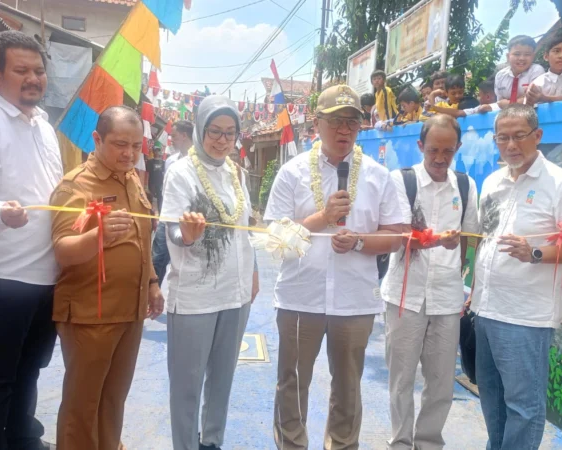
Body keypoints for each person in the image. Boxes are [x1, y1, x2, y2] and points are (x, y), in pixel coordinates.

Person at [265, 85, 406, 450]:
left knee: (347, 387)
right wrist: (322, 218)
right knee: (291, 383)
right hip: (299, 297)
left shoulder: (378, 175)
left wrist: (359, 240)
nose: (344, 130)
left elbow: (397, 236)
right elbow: (274, 238)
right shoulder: (292, 173)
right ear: (317, 124)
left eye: (352, 122)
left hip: (354, 301)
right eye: (336, 122)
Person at [472, 104, 562, 450]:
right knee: (492, 400)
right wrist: (475, 292)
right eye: (502, 138)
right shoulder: (493, 182)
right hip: (485, 310)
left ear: (537, 137)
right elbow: (488, 241)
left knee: (524, 408)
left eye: (518, 136)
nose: (510, 145)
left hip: (526, 316)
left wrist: (536, 253)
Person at [50, 106, 165, 449]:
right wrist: (96, 237)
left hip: (130, 310)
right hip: (90, 314)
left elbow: (143, 240)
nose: (129, 153)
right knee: (82, 405)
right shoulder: (76, 186)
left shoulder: (131, 180)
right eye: (119, 144)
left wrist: (153, 282)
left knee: (114, 400)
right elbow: (62, 249)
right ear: (97, 139)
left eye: (135, 145)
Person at [161, 96, 259, 450]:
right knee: (187, 387)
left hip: (235, 293)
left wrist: (254, 270)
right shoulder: (181, 172)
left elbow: (243, 226)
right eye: (215, 131)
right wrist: (185, 236)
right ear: (201, 129)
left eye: (230, 133)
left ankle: (211, 443)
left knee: (222, 381)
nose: (222, 140)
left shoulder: (236, 172)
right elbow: (170, 229)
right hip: (194, 297)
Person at [382, 115, 479, 450]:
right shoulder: (401, 181)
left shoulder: (465, 186)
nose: (440, 158)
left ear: (458, 149)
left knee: (440, 383)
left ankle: (428, 443)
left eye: (448, 151)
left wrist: (466, 282)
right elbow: (396, 236)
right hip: (404, 296)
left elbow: (468, 238)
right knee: (401, 379)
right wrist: (437, 241)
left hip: (447, 298)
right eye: (434, 150)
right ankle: (400, 443)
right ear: (420, 146)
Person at [0, 30, 62, 450]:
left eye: (38, 70)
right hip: (6, 277)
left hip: (49, 275)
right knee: (1, 373)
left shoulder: (46, 128)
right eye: (21, 70)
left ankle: (23, 435)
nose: (33, 78)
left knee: (32, 366)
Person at [152, 119, 193, 287]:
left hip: (189, 220)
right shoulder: (170, 161)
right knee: (158, 259)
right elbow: (164, 190)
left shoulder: (199, 161)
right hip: (167, 217)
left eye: (174, 136)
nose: (172, 140)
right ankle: (150, 296)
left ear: (184, 136)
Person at [494, 35, 545, 106]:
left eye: (527, 54)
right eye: (517, 54)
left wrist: (508, 103)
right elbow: (500, 102)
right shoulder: (500, 75)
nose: (522, 58)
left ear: (533, 56)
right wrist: (521, 99)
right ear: (508, 56)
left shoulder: (536, 70)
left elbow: (532, 100)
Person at [147, 145, 165, 212]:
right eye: (155, 151)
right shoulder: (150, 162)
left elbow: (164, 172)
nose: (156, 152)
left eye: (158, 150)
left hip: (160, 183)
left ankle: (160, 213)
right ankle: (150, 213)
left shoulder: (163, 162)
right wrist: (146, 184)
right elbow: (147, 172)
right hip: (152, 182)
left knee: (160, 199)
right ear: (153, 152)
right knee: (150, 198)